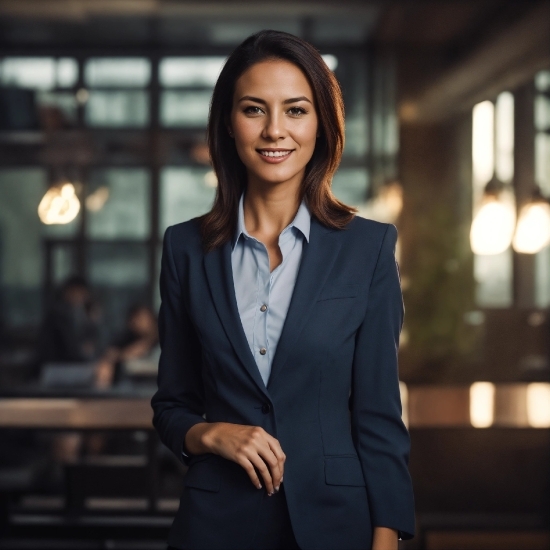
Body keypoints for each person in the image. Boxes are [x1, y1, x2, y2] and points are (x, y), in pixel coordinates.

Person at [151, 30, 415, 550]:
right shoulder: (185, 248)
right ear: (228, 123)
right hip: (216, 524)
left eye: (296, 110)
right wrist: (211, 434)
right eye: (254, 110)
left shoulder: (370, 249)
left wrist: (385, 540)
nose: (275, 131)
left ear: (322, 124)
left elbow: (380, 416)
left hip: (337, 524)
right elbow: (172, 404)